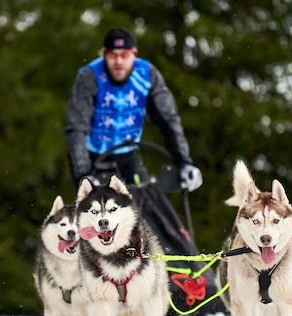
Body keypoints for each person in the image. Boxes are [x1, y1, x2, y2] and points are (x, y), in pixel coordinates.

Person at [64, 27, 203, 192]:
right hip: (92, 158)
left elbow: (168, 120)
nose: (118, 62)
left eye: (124, 55)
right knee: (99, 210)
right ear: (104, 55)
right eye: (112, 55)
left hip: (128, 154)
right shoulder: (90, 76)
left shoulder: (147, 75)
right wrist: (83, 174)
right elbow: (76, 128)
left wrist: (184, 163)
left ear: (134, 54)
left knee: (143, 203)